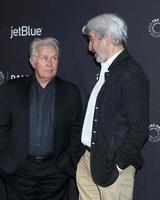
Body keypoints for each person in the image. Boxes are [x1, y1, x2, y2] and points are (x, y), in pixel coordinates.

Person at [76, 13, 150, 200]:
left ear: (107, 38)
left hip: (112, 167)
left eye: (91, 39)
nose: (90, 47)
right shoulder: (106, 69)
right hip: (88, 160)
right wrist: (84, 158)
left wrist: (118, 165)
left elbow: (140, 130)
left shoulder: (130, 73)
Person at [0, 37, 83, 200]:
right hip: (19, 169)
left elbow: (77, 131)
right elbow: (2, 127)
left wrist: (69, 162)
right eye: (44, 58)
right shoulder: (12, 89)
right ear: (32, 61)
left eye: (54, 58)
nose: (50, 63)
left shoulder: (70, 92)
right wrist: (5, 161)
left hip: (56, 171)